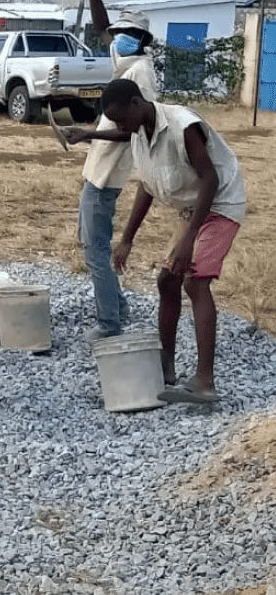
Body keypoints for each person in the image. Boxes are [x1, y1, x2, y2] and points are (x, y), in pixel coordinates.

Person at [71, 79, 246, 404]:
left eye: (123, 119)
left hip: (220, 202)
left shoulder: (182, 125)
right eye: (117, 123)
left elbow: (211, 178)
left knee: (195, 282)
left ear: (137, 103)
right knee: (167, 281)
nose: (122, 127)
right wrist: (126, 239)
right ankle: (166, 366)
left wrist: (189, 239)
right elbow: (147, 188)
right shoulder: (139, 137)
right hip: (192, 207)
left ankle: (204, 381)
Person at [60, 0, 159, 340]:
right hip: (99, 171)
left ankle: (109, 323)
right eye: (119, 35)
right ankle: (116, 306)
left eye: (125, 35)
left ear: (140, 39)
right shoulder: (127, 62)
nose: (115, 39)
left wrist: (87, 133)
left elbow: (133, 128)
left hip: (108, 177)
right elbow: (102, 25)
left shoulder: (142, 74)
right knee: (92, 241)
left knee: (96, 251)